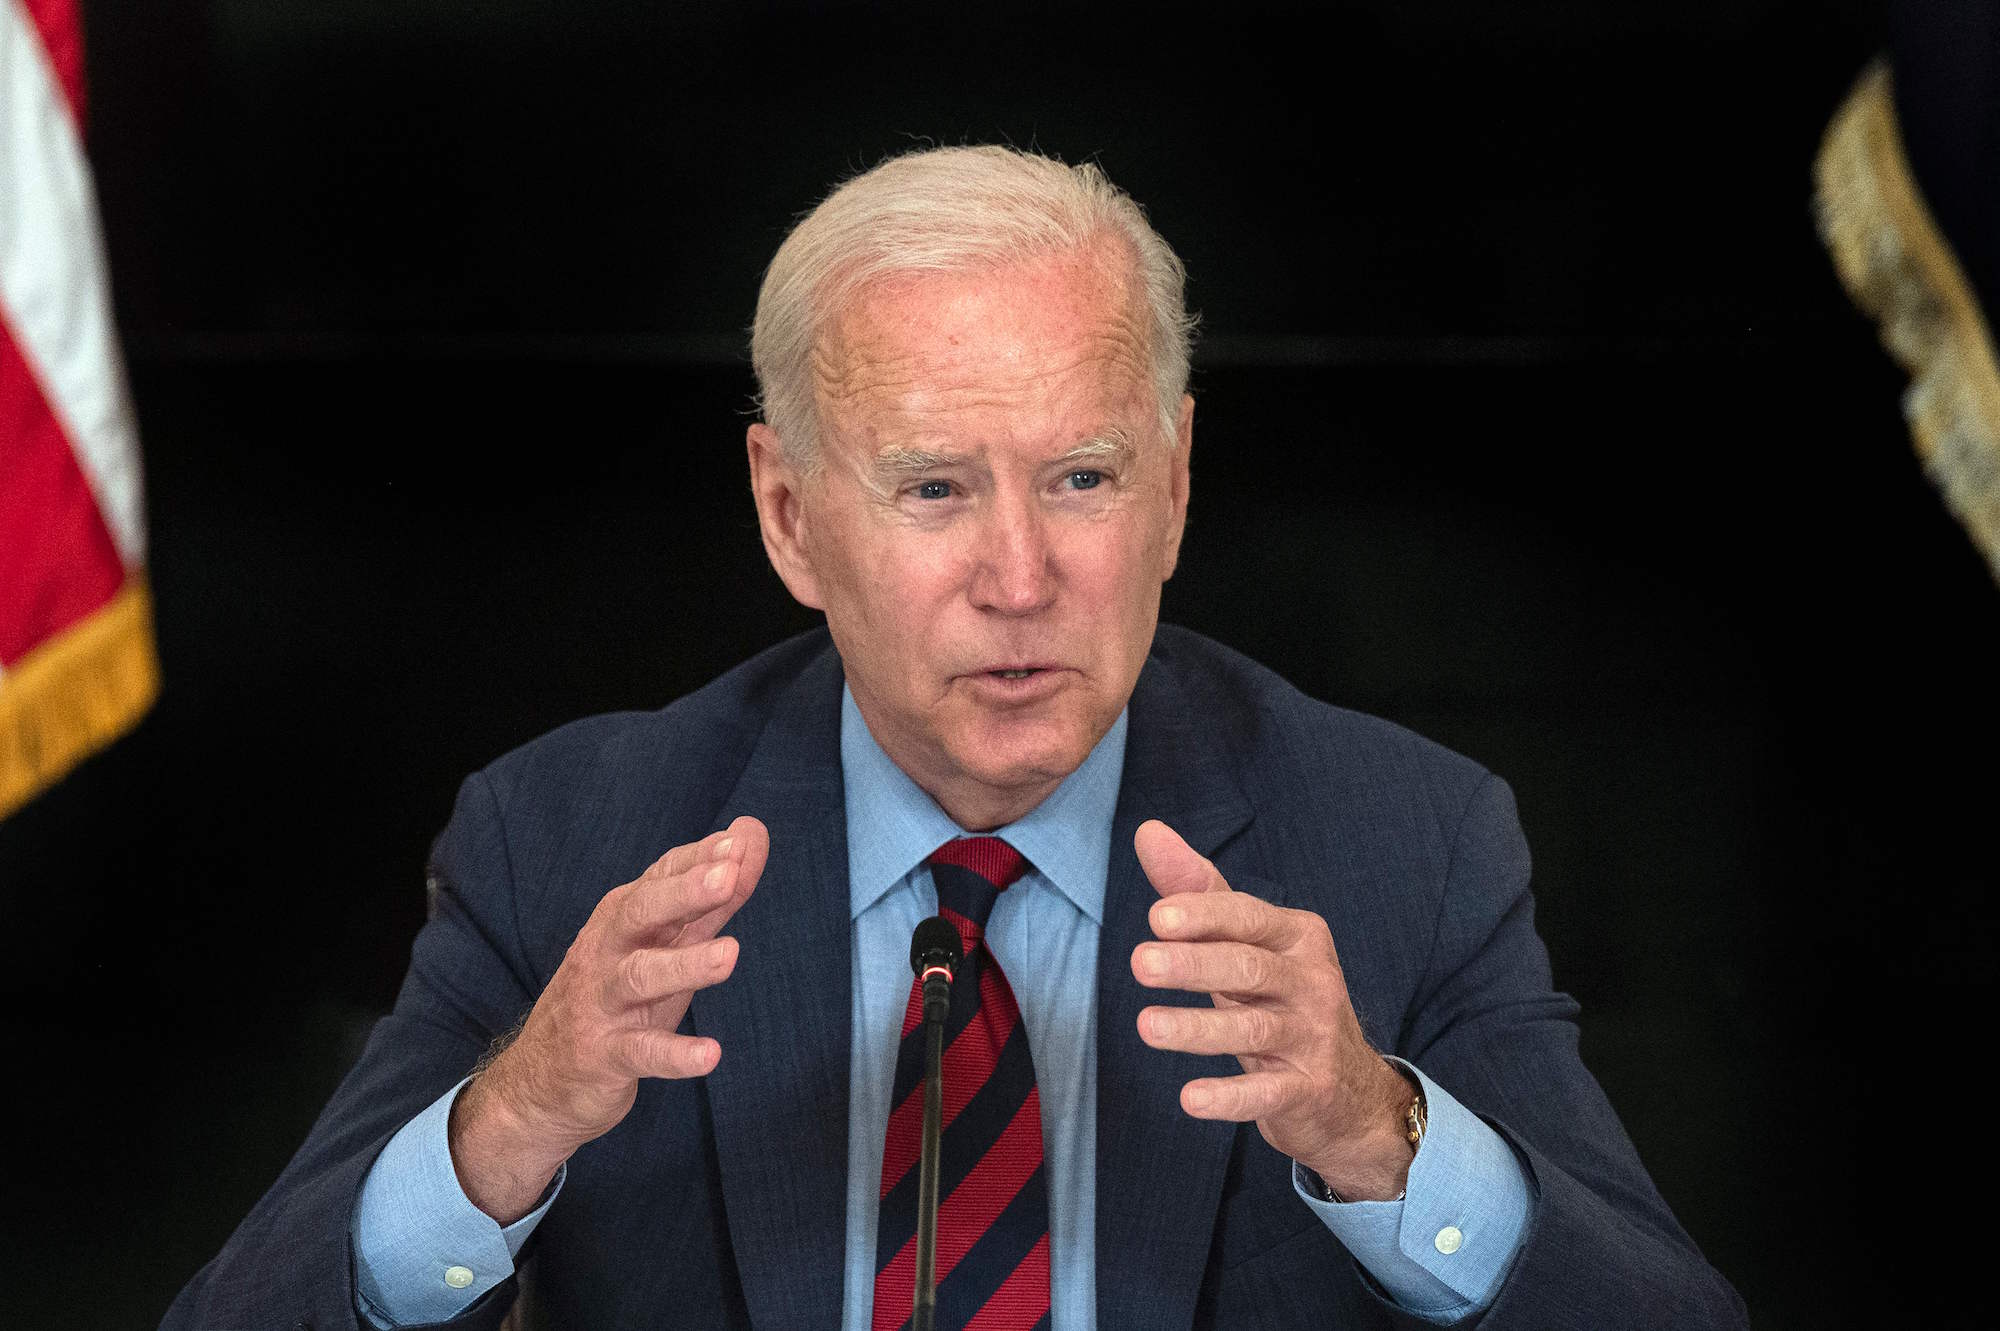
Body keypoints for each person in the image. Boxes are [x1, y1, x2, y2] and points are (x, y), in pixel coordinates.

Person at [164, 145, 1747, 1330]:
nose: (1021, 577)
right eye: (934, 488)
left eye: (1083, 478)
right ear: (790, 517)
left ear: (1178, 485)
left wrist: (1378, 1135)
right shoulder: (572, 836)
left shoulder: (1403, 838)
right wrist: (503, 1129)